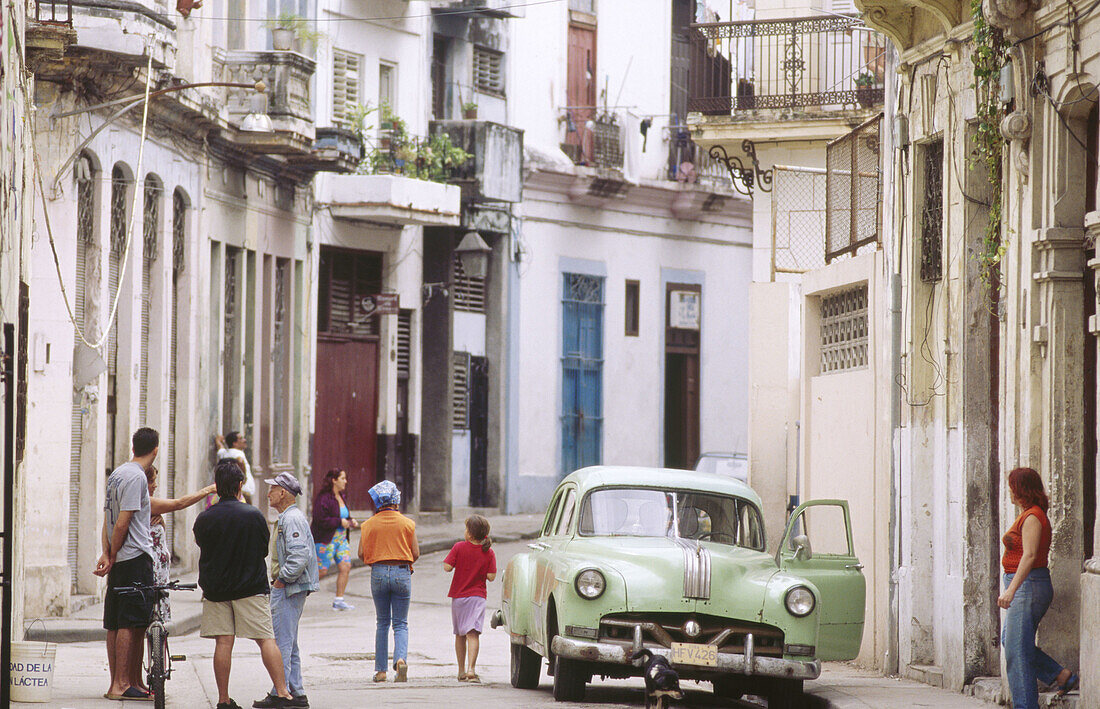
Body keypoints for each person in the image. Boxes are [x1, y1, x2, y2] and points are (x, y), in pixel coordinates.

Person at [193, 459, 296, 709]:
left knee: (224, 643)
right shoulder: (254, 516)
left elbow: (202, 546)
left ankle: (223, 699)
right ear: (240, 485)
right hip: (250, 587)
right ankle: (283, 693)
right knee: (265, 639)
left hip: (216, 589)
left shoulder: (205, 518)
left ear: (217, 486)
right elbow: (262, 549)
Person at [998, 467, 1078, 708]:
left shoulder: (1033, 517)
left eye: (1013, 487)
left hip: (1028, 585)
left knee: (1017, 653)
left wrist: (1011, 589)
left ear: (1022, 490)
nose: (1010, 493)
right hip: (1028, 584)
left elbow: (1030, 555)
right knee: (1011, 641)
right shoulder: (1029, 514)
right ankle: (1060, 675)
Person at [95, 428, 159, 701]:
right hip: (133, 556)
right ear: (155, 450)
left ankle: (129, 681)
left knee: (117, 620)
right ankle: (120, 684)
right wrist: (113, 553)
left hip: (120, 556)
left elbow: (107, 521)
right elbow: (122, 521)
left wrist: (107, 552)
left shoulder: (117, 474)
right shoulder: (136, 478)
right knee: (130, 621)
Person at [254, 472, 319, 709]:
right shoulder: (288, 517)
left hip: (289, 587)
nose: (268, 493)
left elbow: (299, 554)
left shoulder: (291, 519)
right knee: (288, 641)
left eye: (272, 489)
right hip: (290, 587)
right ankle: (295, 691)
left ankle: (281, 694)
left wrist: (282, 580)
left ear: (283, 493)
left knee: (280, 640)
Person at [358, 480, 419, 683]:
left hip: (378, 572)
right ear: (396, 500)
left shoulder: (368, 525)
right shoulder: (408, 524)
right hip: (402, 572)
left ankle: (381, 671)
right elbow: (415, 553)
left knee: (382, 622)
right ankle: (400, 659)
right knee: (401, 623)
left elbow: (361, 554)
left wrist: (378, 563)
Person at [144, 465, 216, 623]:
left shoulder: (152, 506)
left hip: (160, 568)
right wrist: (207, 490)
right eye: (151, 481)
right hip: (148, 567)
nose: (155, 485)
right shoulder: (144, 502)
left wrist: (161, 522)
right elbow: (179, 504)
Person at [443, 515, 497, 683]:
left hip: (459, 597)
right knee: (473, 634)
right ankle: (471, 669)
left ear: (471, 534)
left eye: (466, 529)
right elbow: (491, 576)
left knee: (459, 634)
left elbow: (447, 567)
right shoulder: (488, 552)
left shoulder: (458, 547)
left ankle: (460, 671)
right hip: (477, 598)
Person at [310, 469, 358, 611]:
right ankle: (296, 594)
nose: (345, 481)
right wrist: (339, 522)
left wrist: (350, 520)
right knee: (321, 571)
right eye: (342, 478)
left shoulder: (341, 496)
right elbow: (320, 520)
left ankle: (339, 599)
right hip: (326, 540)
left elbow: (343, 515)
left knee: (345, 567)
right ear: (334, 480)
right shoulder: (323, 498)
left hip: (341, 540)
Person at [215, 431, 256, 502]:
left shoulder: (225, 453)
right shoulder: (237, 453)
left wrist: (218, 440)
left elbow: (220, 448)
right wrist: (244, 477)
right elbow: (240, 461)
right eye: (241, 438)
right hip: (244, 490)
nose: (244, 440)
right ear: (234, 443)